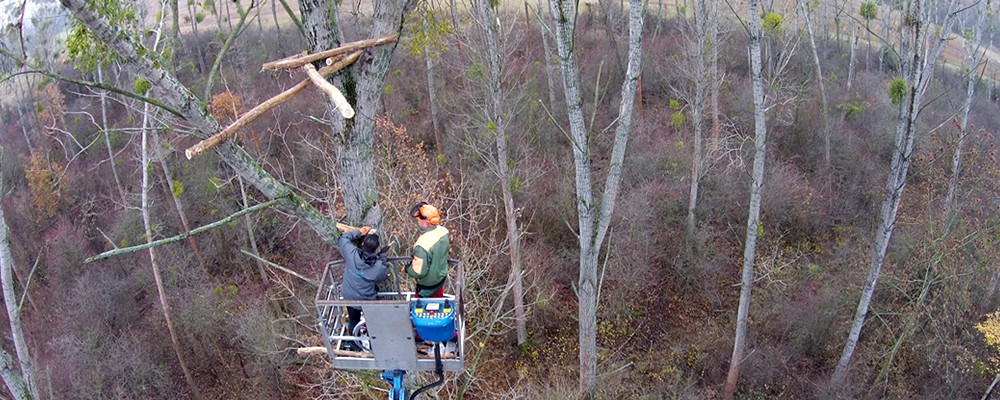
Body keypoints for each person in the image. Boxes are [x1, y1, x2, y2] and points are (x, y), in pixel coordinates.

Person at [339, 226, 388, 350]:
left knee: (353, 319)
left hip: (349, 296)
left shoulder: (351, 254)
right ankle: (375, 346)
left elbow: (344, 238)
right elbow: (382, 276)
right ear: (376, 249)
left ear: (362, 244)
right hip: (367, 300)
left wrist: (360, 232)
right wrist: (383, 257)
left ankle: (356, 345)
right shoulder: (377, 269)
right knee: (372, 322)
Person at [405, 202, 450, 298]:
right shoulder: (444, 232)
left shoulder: (421, 246)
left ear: (426, 222)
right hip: (440, 279)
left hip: (427, 286)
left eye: (419, 220)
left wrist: (408, 269)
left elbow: (419, 272)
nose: (418, 222)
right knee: (439, 304)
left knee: (421, 308)